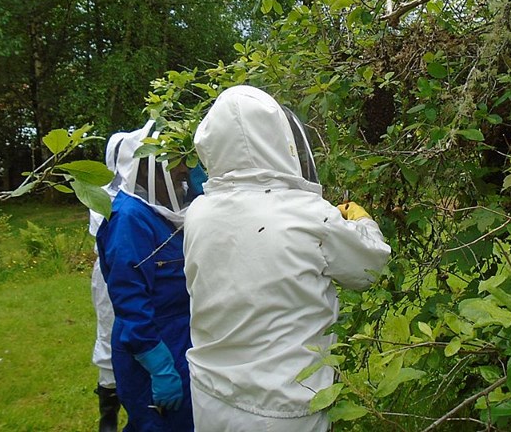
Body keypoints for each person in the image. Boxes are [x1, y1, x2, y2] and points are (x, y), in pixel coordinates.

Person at [184, 85, 391, 432]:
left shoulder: (198, 212)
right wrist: (363, 222)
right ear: (279, 139)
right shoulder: (309, 214)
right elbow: (370, 268)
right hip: (283, 407)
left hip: (209, 396)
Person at [96, 120, 196, 432]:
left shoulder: (163, 209)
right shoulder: (129, 219)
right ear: (145, 170)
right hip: (153, 346)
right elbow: (129, 298)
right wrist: (158, 364)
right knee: (155, 425)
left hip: (182, 336)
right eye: (175, 162)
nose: (183, 170)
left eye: (184, 161)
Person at [89, 131, 128, 432]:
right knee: (109, 333)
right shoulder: (101, 194)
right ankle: (108, 413)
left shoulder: (146, 190)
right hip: (109, 273)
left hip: (136, 270)